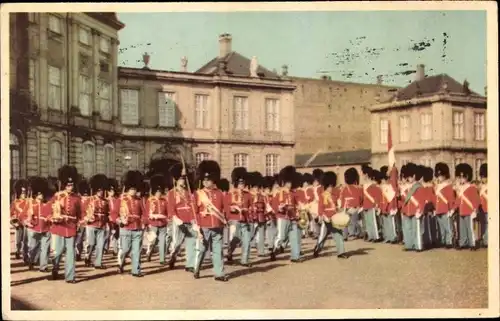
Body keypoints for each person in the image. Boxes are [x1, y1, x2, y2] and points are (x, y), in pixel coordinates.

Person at [193, 160, 229, 282]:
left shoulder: (219, 193)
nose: (206, 181)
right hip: (204, 225)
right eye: (204, 179)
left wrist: (226, 220)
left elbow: (225, 208)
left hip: (217, 225)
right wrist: (197, 225)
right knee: (203, 249)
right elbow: (195, 211)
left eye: (208, 179)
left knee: (218, 250)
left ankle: (219, 273)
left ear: (213, 179)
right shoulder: (198, 194)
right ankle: (197, 268)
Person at [50, 165, 82, 283]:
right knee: (58, 252)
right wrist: (54, 217)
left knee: (70, 253)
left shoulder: (77, 198)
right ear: (64, 184)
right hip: (59, 227)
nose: (70, 187)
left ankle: (70, 276)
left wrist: (80, 222)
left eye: (72, 184)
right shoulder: (57, 196)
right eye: (68, 185)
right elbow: (50, 211)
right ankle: (55, 268)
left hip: (71, 227)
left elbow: (80, 213)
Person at [167, 163, 197, 271]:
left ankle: (189, 264)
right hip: (179, 220)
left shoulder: (189, 192)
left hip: (189, 219)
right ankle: (173, 257)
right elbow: (171, 208)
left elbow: (193, 206)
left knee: (191, 242)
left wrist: (194, 219)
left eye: (184, 178)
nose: (182, 181)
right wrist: (175, 218)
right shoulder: (171, 193)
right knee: (177, 243)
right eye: (180, 179)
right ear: (176, 180)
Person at [270, 166, 303, 263]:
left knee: (294, 237)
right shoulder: (279, 193)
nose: (289, 184)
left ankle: (295, 256)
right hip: (282, 217)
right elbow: (275, 206)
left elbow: (296, 204)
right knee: (281, 237)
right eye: (288, 182)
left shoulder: (293, 194)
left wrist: (299, 209)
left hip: (292, 217)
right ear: (283, 182)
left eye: (290, 182)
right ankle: (274, 249)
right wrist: (279, 208)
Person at [115, 171, 145, 277]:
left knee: (136, 251)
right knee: (125, 249)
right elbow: (114, 214)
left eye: (135, 188)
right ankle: (121, 263)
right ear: (128, 188)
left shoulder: (139, 200)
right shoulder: (121, 200)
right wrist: (120, 221)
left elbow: (144, 213)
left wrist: (144, 223)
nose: (133, 190)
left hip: (137, 228)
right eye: (131, 188)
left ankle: (136, 270)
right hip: (126, 228)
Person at [313, 171, 348, 259]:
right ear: (325, 186)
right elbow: (321, 207)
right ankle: (317, 248)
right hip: (326, 218)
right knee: (322, 236)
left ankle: (341, 252)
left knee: (338, 234)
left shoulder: (334, 195)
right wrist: (323, 216)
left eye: (332, 186)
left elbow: (336, 206)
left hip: (334, 217)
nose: (331, 188)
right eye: (329, 186)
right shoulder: (323, 196)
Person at [225, 167, 252, 266]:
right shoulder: (230, 194)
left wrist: (248, 211)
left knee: (247, 240)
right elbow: (226, 206)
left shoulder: (248, 195)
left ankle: (244, 260)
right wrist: (231, 209)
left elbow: (251, 206)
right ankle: (229, 252)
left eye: (243, 183)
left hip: (245, 219)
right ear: (236, 183)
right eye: (240, 183)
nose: (242, 185)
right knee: (235, 239)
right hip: (234, 220)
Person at [25, 176, 52, 272]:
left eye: (42, 194)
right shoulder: (31, 204)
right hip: (34, 228)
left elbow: (50, 215)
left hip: (46, 228)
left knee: (46, 248)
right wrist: (28, 221)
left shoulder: (47, 204)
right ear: (36, 194)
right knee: (33, 248)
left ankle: (43, 266)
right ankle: (31, 261)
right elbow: (24, 216)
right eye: (40, 194)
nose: (42, 196)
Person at [84, 174, 110, 269]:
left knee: (100, 245)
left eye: (102, 190)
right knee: (91, 243)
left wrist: (107, 223)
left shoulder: (105, 201)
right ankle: (88, 256)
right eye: (99, 190)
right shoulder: (90, 200)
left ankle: (98, 263)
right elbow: (83, 210)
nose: (101, 192)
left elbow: (107, 213)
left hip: (101, 225)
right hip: (91, 224)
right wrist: (86, 218)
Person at [453, 163, 481, 250]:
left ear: (467, 176)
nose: (461, 179)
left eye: (463, 177)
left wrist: (475, 210)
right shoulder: (460, 189)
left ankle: (472, 243)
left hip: (469, 211)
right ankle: (463, 242)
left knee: (470, 228)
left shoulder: (472, 188)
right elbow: (458, 200)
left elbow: (476, 200)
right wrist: (454, 209)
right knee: (462, 228)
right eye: (459, 177)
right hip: (461, 211)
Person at [400, 163, 427, 252]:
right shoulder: (408, 187)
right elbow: (404, 199)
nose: (408, 179)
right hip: (407, 210)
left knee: (417, 229)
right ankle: (409, 244)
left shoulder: (419, 187)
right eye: (408, 177)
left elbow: (421, 200)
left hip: (415, 210)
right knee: (407, 228)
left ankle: (418, 245)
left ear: (414, 176)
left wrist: (420, 210)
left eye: (410, 176)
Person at [145, 174, 169, 265]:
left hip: (163, 224)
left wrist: (167, 218)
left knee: (163, 242)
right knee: (153, 241)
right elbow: (148, 213)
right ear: (154, 192)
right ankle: (149, 253)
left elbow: (167, 212)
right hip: (153, 224)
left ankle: (162, 259)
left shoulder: (164, 200)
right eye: (157, 191)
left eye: (160, 191)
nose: (159, 193)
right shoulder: (150, 200)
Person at [433, 163, 456, 249]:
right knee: (441, 227)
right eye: (438, 175)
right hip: (439, 208)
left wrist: (451, 209)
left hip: (446, 209)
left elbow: (451, 199)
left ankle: (449, 241)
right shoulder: (437, 186)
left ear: (445, 175)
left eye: (441, 175)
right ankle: (443, 241)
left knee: (448, 227)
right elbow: (436, 198)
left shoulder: (448, 186)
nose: (440, 177)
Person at [339, 168, 363, 240]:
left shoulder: (344, 189)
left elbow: (342, 199)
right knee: (353, 221)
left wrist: (342, 207)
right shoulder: (358, 188)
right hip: (355, 207)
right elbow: (360, 198)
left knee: (346, 222)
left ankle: (345, 235)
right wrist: (357, 206)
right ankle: (352, 233)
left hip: (346, 207)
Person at [248, 172, 268, 257]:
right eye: (254, 187)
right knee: (251, 234)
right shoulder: (248, 195)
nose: (256, 189)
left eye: (257, 187)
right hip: (251, 216)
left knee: (261, 234)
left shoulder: (262, 196)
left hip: (261, 216)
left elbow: (265, 205)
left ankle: (261, 251)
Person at [11, 179, 30, 262]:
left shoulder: (28, 202)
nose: (24, 194)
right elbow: (11, 213)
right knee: (19, 241)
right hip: (19, 223)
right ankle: (18, 250)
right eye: (22, 192)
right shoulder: (15, 202)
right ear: (19, 193)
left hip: (26, 223)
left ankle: (25, 256)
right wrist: (14, 222)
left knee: (26, 241)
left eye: (25, 192)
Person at [362, 167, 382, 242]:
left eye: (363, 174)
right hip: (366, 205)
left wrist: (377, 205)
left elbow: (376, 195)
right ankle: (371, 236)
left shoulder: (373, 185)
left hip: (372, 205)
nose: (362, 176)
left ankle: (376, 236)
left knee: (373, 222)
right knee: (368, 222)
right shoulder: (365, 185)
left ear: (366, 174)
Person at [379, 166, 398, 244]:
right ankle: (388, 237)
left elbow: (392, 196)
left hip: (390, 206)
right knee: (386, 223)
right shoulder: (384, 185)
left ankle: (393, 237)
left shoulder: (391, 184)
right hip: (384, 205)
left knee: (391, 222)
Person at [76, 179, 90, 261]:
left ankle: (87, 256)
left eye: (86, 195)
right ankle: (78, 253)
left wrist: (87, 219)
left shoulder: (90, 202)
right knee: (79, 240)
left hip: (88, 223)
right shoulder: (78, 202)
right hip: (80, 223)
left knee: (87, 241)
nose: (85, 197)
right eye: (84, 195)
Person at [478, 164, 488, 248]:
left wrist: (483, 193)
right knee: (482, 225)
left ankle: (486, 241)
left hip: (488, 208)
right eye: (482, 177)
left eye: (484, 177)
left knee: (488, 225)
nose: (482, 179)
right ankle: (483, 239)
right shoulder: (481, 186)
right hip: (481, 208)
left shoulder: (490, 185)